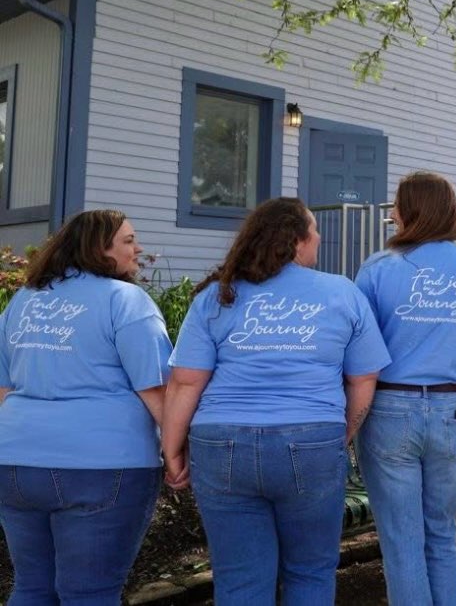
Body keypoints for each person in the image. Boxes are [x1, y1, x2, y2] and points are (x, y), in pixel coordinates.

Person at [163, 197, 389, 605]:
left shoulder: (218, 295)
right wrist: (343, 431)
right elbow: (363, 378)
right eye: (314, 231)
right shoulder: (341, 292)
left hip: (220, 441)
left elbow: (184, 383)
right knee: (310, 571)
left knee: (239, 581)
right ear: (298, 240)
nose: (319, 238)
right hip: (313, 439)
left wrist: (171, 448)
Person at [354, 171, 456, 606]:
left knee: (403, 540)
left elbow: (358, 356)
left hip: (389, 409)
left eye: (396, 206)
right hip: (450, 409)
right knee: (442, 534)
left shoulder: (377, 269)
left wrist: (352, 417)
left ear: (407, 213)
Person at [0, 209, 172, 605]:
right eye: (129, 241)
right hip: (102, 467)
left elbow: (3, 385)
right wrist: (180, 454)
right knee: (89, 593)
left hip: (16, 463)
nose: (138, 248)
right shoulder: (126, 301)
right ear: (100, 248)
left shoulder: (25, 299)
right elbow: (157, 391)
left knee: (31, 588)